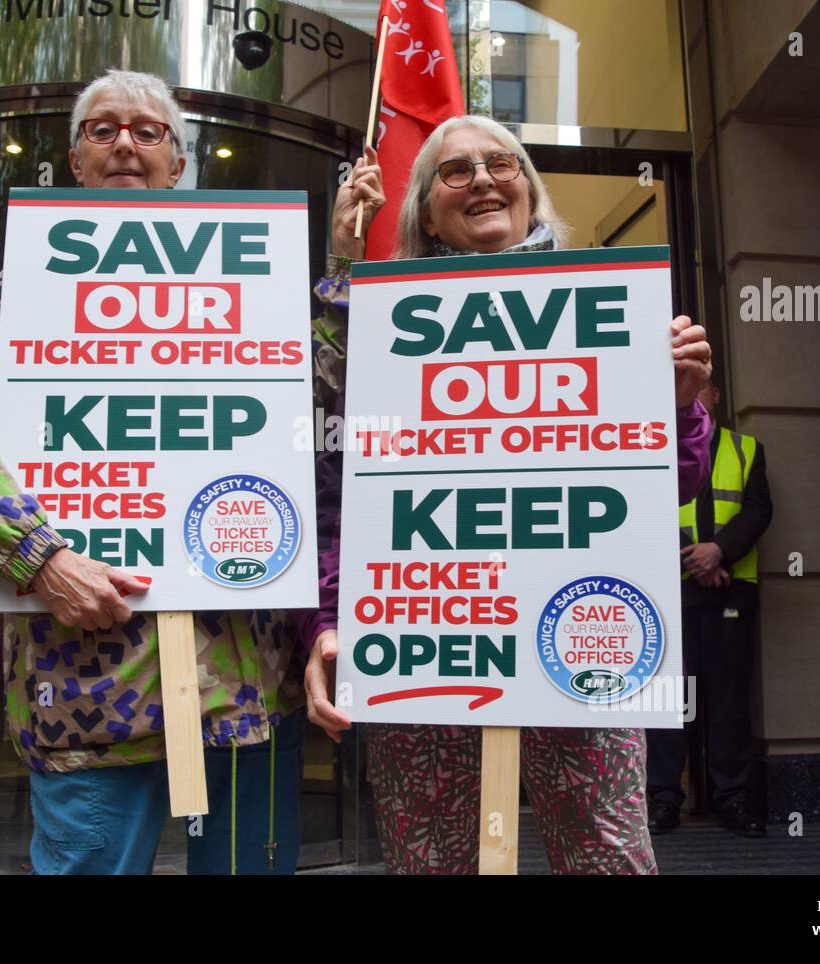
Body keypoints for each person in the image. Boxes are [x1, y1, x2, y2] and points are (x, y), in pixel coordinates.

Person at [0, 69, 307, 875]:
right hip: (87, 689)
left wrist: (364, 267)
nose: (126, 142)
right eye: (103, 129)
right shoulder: (13, 303)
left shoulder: (264, 294)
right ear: (76, 163)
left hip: (243, 695)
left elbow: (339, 424)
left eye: (149, 131)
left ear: (179, 165)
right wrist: (38, 555)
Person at [302, 114, 713, 874]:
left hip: (580, 635)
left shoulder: (605, 305)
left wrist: (680, 406)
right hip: (426, 640)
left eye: (503, 163)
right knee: (433, 863)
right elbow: (332, 493)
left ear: (529, 188)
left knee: (609, 858)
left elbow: (673, 488)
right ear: (425, 209)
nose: (485, 179)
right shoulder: (373, 327)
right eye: (457, 172)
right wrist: (329, 621)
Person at [647, 380, 772, 837]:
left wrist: (719, 551)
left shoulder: (746, 448)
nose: (692, 397)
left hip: (731, 586)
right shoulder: (652, 445)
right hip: (671, 588)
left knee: (728, 700)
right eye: (682, 390)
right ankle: (663, 799)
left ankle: (733, 799)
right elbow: (645, 509)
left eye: (700, 390)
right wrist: (695, 560)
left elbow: (759, 510)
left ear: (716, 396)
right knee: (667, 700)